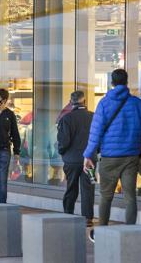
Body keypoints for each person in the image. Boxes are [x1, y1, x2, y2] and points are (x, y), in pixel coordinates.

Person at [83, 69, 141, 242]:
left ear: (112, 83)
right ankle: (130, 231)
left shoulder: (104, 103)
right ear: (126, 83)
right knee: (130, 196)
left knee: (106, 196)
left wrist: (88, 155)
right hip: (131, 157)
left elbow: (95, 133)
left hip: (109, 158)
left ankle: (101, 232)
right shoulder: (137, 104)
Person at [57, 91, 95, 227]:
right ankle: (88, 218)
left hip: (71, 160)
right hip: (90, 161)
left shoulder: (66, 119)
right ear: (84, 102)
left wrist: (62, 152)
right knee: (88, 189)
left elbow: (63, 141)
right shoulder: (94, 117)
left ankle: (68, 213)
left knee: (71, 187)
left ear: (71, 102)